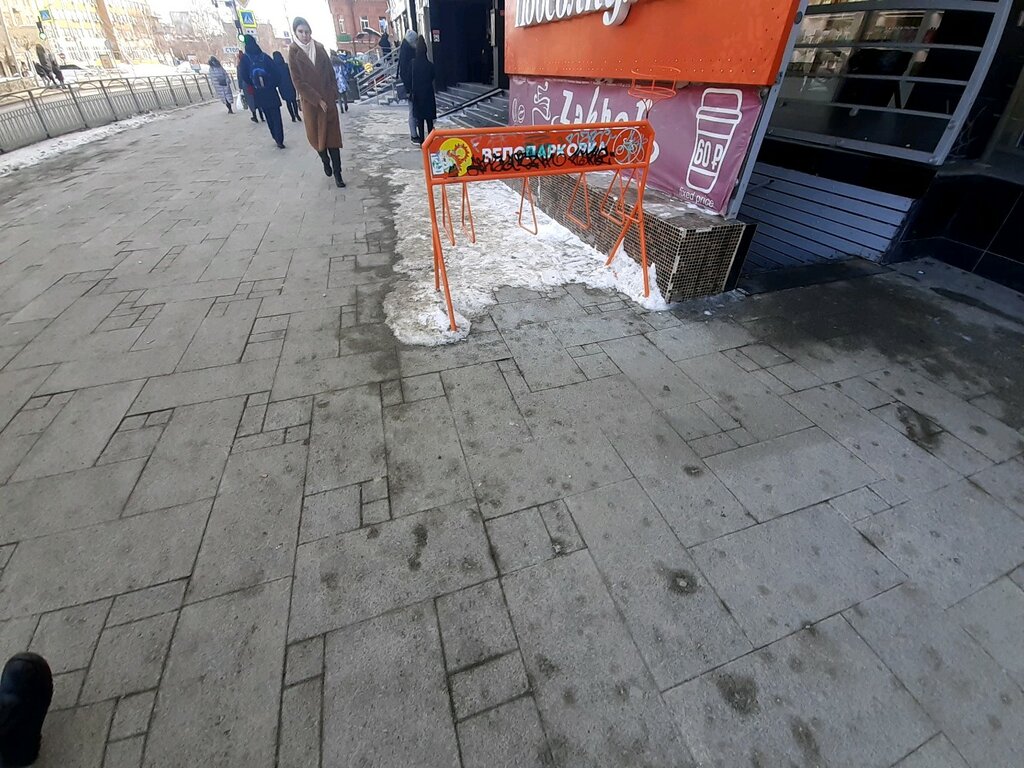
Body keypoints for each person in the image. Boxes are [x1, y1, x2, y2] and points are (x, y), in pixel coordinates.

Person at [288, 17, 345, 187]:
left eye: (307, 31)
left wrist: (332, 93)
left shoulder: (319, 49)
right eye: (301, 32)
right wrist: (316, 99)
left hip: (328, 101)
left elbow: (331, 73)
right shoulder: (293, 52)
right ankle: (324, 160)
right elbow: (298, 82)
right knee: (317, 139)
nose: (304, 35)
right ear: (295, 33)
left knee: (333, 141)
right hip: (311, 104)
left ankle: (338, 174)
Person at [239, 35, 285, 148]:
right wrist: (273, 84)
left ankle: (274, 136)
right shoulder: (264, 57)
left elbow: (244, 76)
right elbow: (277, 73)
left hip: (258, 92)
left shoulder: (245, 59)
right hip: (271, 91)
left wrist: (253, 85)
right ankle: (280, 139)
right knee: (276, 116)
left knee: (268, 116)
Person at [411, 35, 436, 144]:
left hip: (417, 94)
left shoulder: (413, 64)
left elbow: (410, 78)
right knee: (429, 120)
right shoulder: (430, 65)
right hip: (428, 94)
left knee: (419, 120)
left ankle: (422, 141)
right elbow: (433, 77)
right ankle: (430, 141)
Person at [397, 29, 417, 142]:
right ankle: (414, 135)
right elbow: (405, 73)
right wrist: (409, 90)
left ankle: (414, 134)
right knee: (412, 111)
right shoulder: (407, 53)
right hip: (411, 87)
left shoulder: (404, 50)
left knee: (412, 111)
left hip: (411, 86)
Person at [273, 50, 301, 122]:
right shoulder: (286, 65)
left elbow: (275, 78)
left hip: (282, 87)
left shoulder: (275, 68)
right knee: (293, 101)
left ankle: (292, 117)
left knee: (288, 102)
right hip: (290, 84)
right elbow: (291, 75)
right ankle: (297, 114)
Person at [237, 49, 263, 122]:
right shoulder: (251, 62)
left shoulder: (240, 65)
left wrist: (240, 87)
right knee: (257, 99)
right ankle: (261, 115)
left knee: (250, 100)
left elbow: (240, 76)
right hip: (254, 82)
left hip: (246, 84)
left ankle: (254, 116)